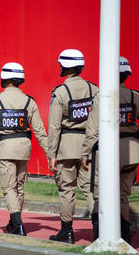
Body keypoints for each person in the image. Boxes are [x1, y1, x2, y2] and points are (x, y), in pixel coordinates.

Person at [81, 56, 139, 243]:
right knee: (122, 196)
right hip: (130, 151)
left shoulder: (102, 97)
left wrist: (85, 153)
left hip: (107, 151)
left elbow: (92, 129)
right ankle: (125, 236)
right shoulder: (136, 97)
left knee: (99, 193)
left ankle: (101, 236)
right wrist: (135, 136)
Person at [0, 62, 48, 236]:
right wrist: (50, 154)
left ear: (3, 79)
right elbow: (40, 132)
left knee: (9, 188)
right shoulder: (30, 101)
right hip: (24, 149)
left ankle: (19, 226)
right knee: (19, 188)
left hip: (5, 149)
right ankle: (14, 223)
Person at [47, 49, 99, 244]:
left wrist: (52, 153)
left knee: (66, 189)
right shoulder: (95, 90)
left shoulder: (60, 92)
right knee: (91, 190)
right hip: (90, 145)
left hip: (66, 146)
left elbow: (54, 126)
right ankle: (99, 231)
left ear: (65, 67)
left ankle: (67, 232)